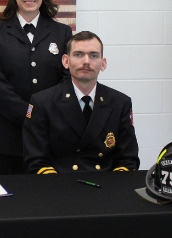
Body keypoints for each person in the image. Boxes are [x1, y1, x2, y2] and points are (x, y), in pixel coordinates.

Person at [0, 0, 73, 175]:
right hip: (7, 137)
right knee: (10, 202)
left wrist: (47, 115)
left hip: (52, 134)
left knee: (49, 201)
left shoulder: (62, 32)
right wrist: (30, 115)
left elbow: (68, 79)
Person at [22, 31, 139, 175]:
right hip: (59, 186)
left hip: (105, 185)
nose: (86, 61)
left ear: (103, 63)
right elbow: (36, 161)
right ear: (66, 61)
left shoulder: (120, 103)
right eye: (78, 54)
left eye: (94, 55)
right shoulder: (42, 102)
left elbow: (128, 159)